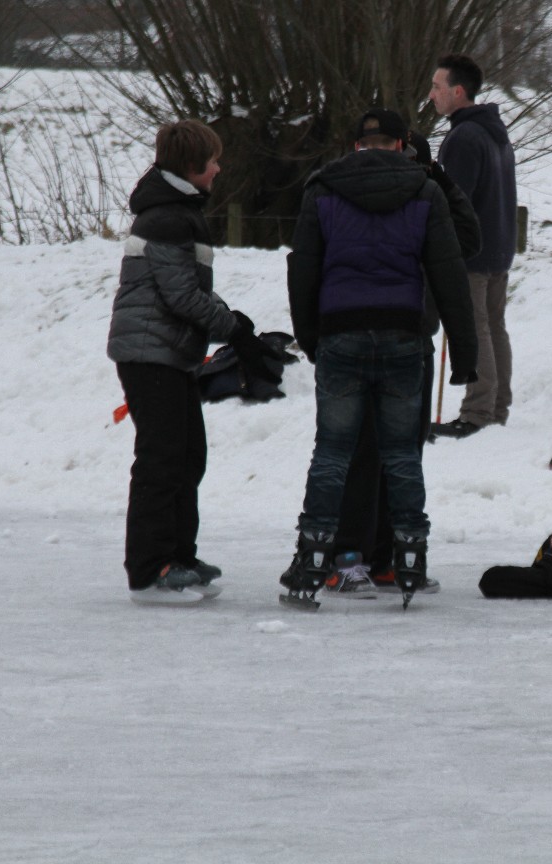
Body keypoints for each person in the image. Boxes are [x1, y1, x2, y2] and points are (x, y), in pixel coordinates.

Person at [281, 108, 478, 607]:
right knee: (401, 453)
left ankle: (322, 557)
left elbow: (303, 269)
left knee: (333, 452)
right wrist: (465, 353)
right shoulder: (423, 190)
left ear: (356, 146)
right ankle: (405, 557)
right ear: (401, 146)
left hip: (342, 331)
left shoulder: (323, 188)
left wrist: (310, 337)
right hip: (403, 332)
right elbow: (451, 272)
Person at [107, 119, 280, 605]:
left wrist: (234, 323)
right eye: (213, 161)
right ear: (191, 166)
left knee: (187, 456)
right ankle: (150, 570)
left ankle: (179, 556)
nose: (219, 169)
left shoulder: (178, 210)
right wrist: (235, 333)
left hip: (169, 352)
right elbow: (181, 295)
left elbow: (187, 287)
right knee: (162, 459)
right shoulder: (166, 216)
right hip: (149, 352)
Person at [426, 53, 517, 439]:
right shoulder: (493, 131)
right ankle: (495, 408)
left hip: (472, 252)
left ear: (458, 91)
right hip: (498, 246)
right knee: (492, 325)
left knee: (476, 328)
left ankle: (478, 412)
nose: (431, 94)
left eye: (437, 87)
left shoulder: (464, 137)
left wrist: (442, 248)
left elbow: (453, 202)